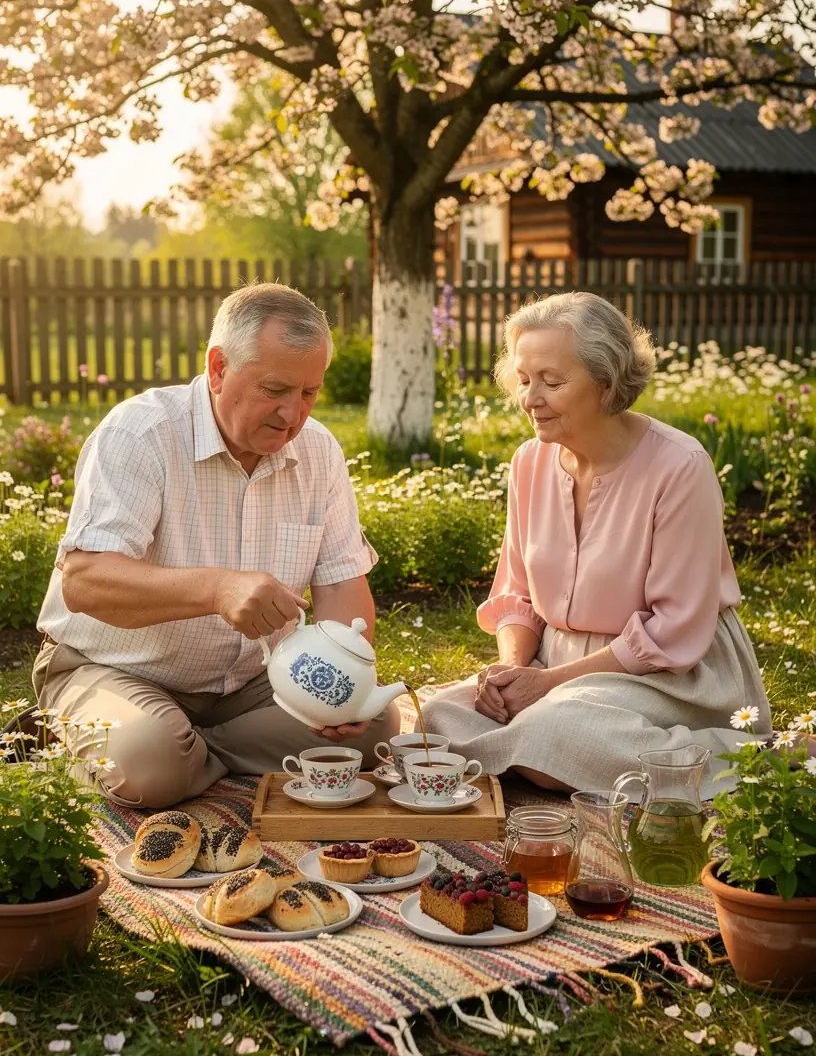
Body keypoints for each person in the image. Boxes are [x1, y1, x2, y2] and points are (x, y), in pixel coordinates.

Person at [33, 283, 399, 808]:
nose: (292, 415)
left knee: (374, 723)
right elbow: (86, 582)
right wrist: (217, 588)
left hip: (252, 681)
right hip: (114, 666)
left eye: (308, 393)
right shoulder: (142, 434)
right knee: (150, 761)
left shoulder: (319, 451)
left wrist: (347, 679)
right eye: (274, 390)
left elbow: (343, 588)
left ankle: (187, 754)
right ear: (219, 368)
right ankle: (149, 748)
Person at [420, 292, 770, 799]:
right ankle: (544, 755)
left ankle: (749, 756)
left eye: (552, 381)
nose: (530, 399)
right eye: (523, 380)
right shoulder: (528, 462)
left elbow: (673, 632)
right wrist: (516, 670)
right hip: (555, 666)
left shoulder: (680, 466)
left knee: (556, 732)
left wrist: (549, 686)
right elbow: (517, 594)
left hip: (669, 673)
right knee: (438, 716)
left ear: (606, 381)